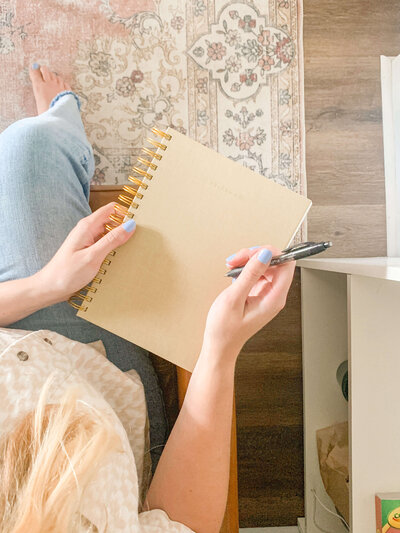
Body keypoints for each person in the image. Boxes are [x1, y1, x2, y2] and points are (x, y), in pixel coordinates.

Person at [0, 64, 296, 533]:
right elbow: (181, 524)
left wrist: (49, 283)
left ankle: (60, 124)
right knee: (30, 148)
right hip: (90, 379)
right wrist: (219, 351)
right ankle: (62, 120)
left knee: (28, 149)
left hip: (13, 327)